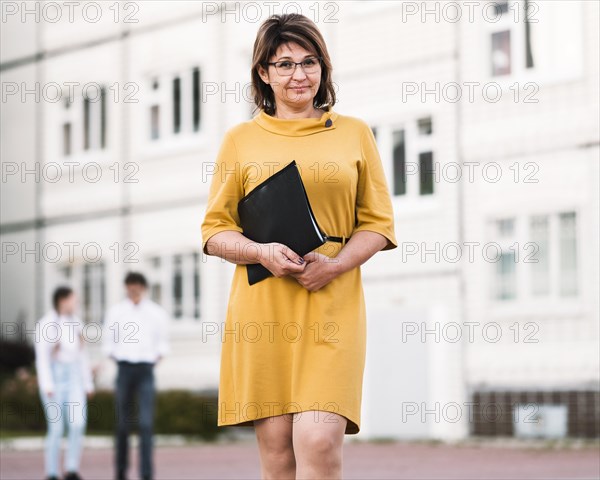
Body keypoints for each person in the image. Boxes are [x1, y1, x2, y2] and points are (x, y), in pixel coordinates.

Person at [201, 13, 398, 480]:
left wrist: (335, 264)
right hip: (264, 309)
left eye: (309, 62)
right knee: (277, 455)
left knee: (318, 442)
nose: (299, 74)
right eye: (284, 64)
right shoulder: (240, 140)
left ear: (323, 69)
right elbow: (214, 231)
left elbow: (377, 224)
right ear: (263, 73)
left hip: (332, 304)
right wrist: (261, 251)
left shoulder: (354, 133)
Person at [102, 272, 169, 480]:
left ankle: (146, 473)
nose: (133, 289)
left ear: (143, 287)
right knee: (122, 424)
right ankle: (121, 471)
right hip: (124, 369)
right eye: (130, 285)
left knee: (146, 424)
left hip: (146, 371)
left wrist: (152, 359)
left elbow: (163, 343)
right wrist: (122, 359)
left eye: (137, 285)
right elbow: (108, 343)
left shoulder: (156, 313)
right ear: (126, 287)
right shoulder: (116, 312)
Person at [35, 286, 95, 480]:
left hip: (74, 379)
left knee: (77, 423)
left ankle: (71, 469)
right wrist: (47, 385)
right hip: (54, 378)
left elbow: (82, 355)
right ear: (62, 300)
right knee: (56, 428)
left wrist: (88, 383)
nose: (76, 303)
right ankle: (51, 472)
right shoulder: (46, 324)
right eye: (73, 299)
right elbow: (42, 358)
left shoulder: (76, 323)